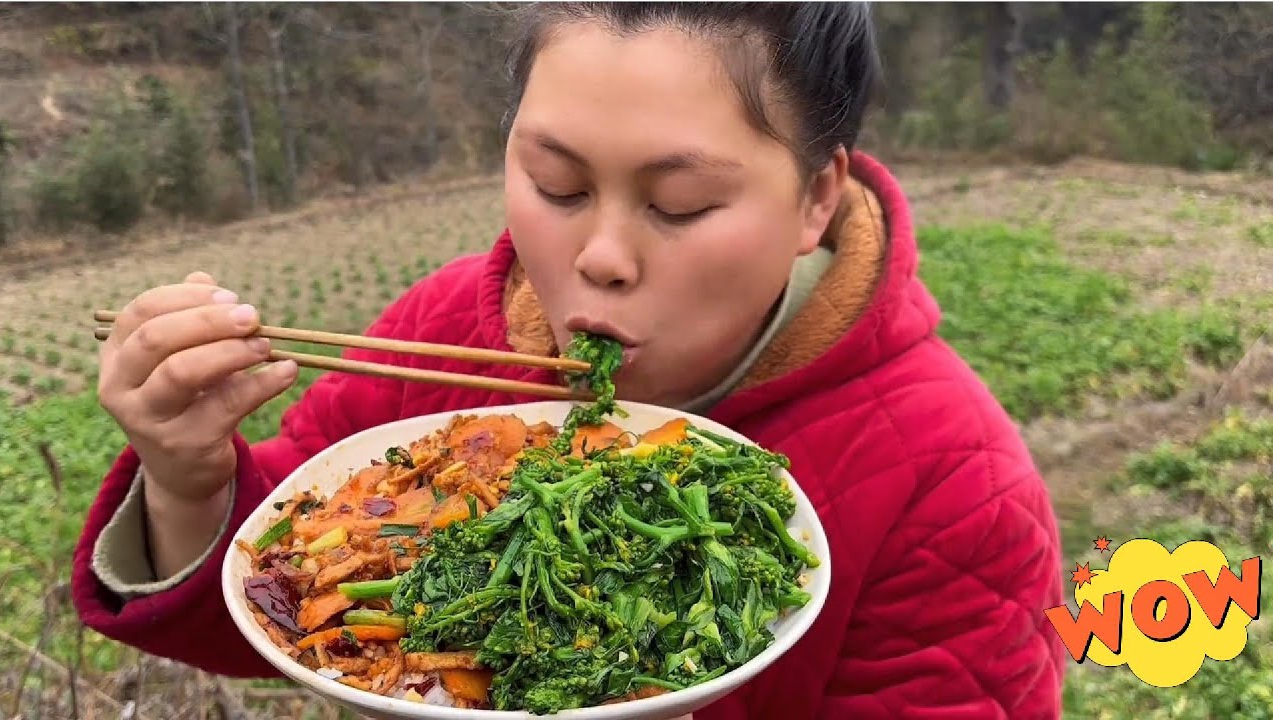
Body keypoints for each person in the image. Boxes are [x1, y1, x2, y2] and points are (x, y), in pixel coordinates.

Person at [72, 3, 1066, 717]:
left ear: (815, 199)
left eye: (677, 206)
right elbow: (292, 604)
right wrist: (189, 484)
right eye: (554, 184)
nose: (597, 257)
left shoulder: (952, 483)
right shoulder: (444, 333)